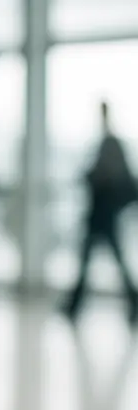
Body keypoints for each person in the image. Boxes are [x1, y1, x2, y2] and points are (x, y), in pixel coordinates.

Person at [62, 102, 138, 323]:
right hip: (102, 215)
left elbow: (104, 176)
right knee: (89, 261)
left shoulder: (109, 144)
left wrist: (89, 176)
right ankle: (74, 305)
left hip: (103, 215)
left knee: (99, 260)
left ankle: (75, 305)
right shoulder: (107, 143)